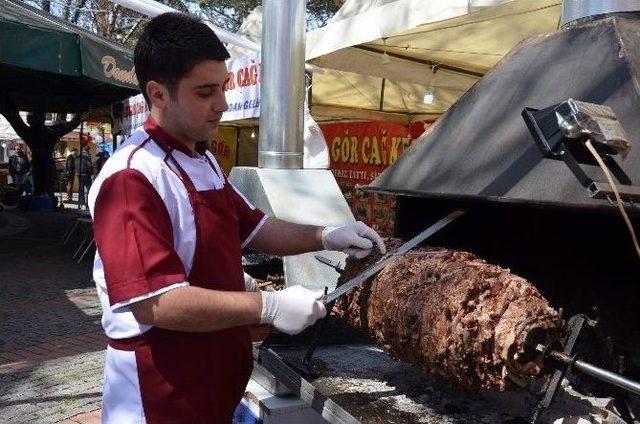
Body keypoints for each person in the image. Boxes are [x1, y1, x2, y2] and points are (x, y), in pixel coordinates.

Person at [88, 12, 386, 424]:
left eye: (224, 88)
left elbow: (254, 226)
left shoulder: (202, 158)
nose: (222, 105)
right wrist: (269, 305)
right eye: (205, 92)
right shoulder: (132, 178)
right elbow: (156, 303)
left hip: (211, 387)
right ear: (158, 93)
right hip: (161, 394)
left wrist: (328, 234)